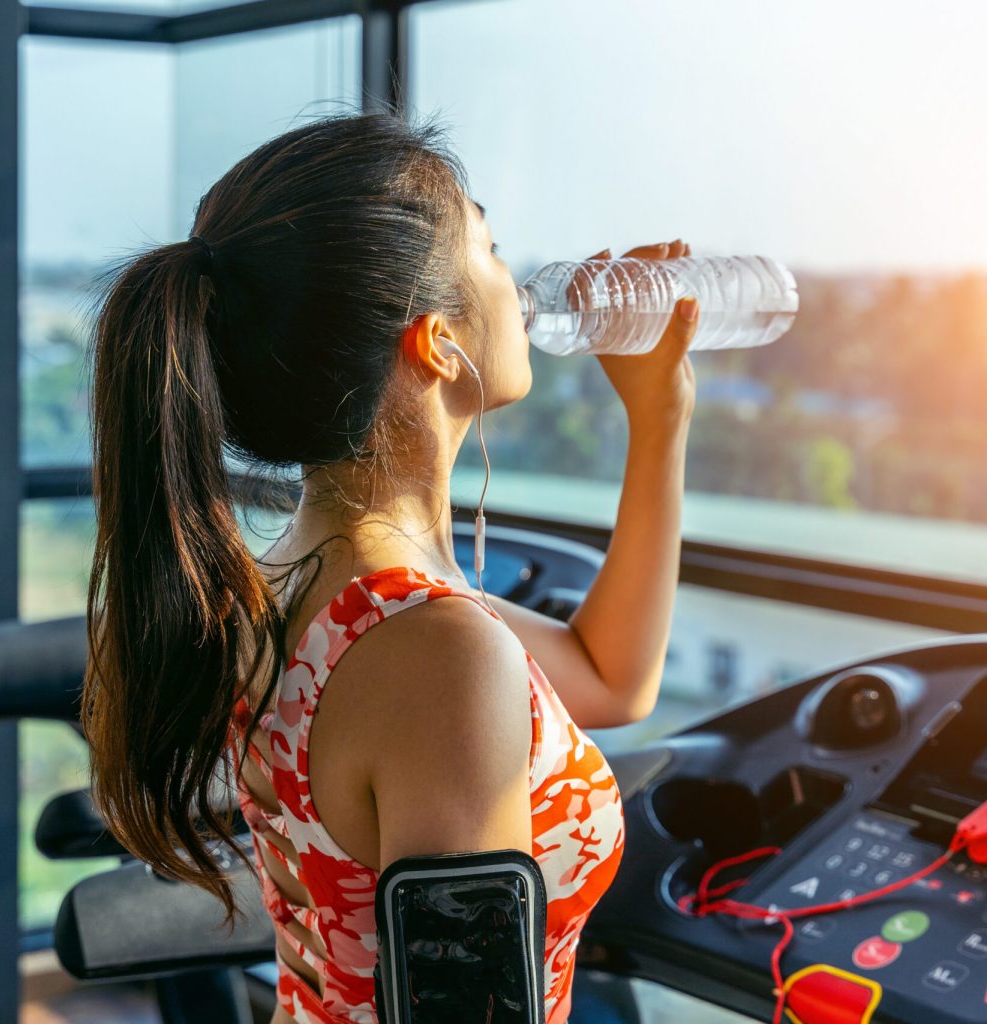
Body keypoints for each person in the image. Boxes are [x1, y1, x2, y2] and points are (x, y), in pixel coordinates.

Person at [78, 105, 699, 1024]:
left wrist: (662, 422)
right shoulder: (433, 654)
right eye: (489, 250)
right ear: (437, 342)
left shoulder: (302, 581)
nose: (518, 285)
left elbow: (612, 677)